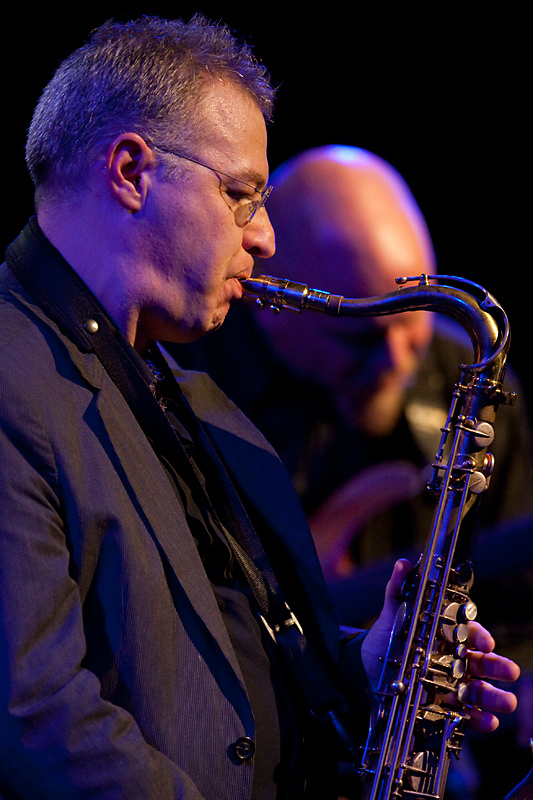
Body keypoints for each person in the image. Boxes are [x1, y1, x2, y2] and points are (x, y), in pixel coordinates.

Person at [0, 17, 519, 800]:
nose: (266, 237)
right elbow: (36, 720)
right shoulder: (11, 377)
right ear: (132, 171)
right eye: (242, 196)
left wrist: (362, 667)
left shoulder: (189, 396)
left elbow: (210, 661)